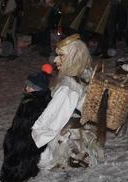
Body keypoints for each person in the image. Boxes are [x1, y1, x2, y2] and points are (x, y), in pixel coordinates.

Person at [31, 34, 103, 169]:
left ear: (73, 58)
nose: (55, 60)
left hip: (64, 141)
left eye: (61, 56)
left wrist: (33, 138)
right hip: (78, 133)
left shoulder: (68, 87)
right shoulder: (84, 74)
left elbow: (53, 121)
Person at [0, 69, 52, 182]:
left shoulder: (31, 104)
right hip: (27, 136)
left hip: (25, 138)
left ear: (38, 88)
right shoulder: (41, 98)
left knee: (18, 157)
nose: (26, 88)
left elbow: (24, 124)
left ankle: (14, 175)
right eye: (27, 85)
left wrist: (12, 137)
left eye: (30, 86)